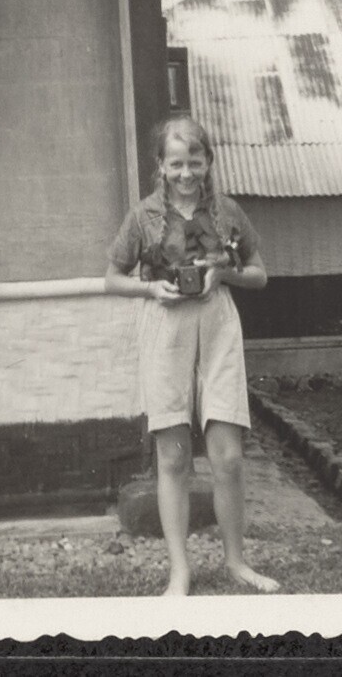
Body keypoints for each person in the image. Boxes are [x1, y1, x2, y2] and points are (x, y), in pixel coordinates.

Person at [105, 116, 279, 597]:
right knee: (173, 456)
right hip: (165, 328)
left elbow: (260, 273)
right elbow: (111, 278)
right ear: (161, 165)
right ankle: (179, 570)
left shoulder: (227, 212)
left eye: (195, 162)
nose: (186, 173)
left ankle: (236, 562)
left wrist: (224, 275)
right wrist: (149, 288)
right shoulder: (143, 217)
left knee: (229, 457)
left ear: (208, 162)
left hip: (218, 325)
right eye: (176, 163)